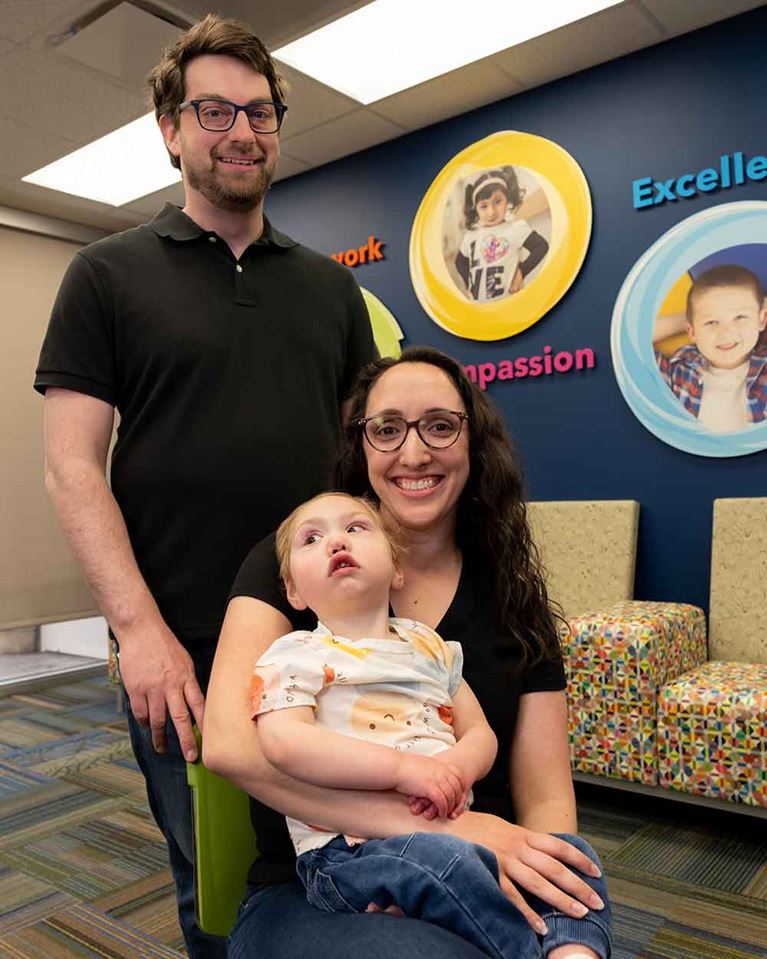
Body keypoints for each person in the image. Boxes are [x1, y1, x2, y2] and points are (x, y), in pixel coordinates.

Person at [33, 13, 376, 958]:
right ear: (172, 131)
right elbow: (71, 465)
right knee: (218, 885)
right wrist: (137, 631)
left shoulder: (329, 289)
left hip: (327, 629)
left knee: (355, 858)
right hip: (179, 640)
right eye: (213, 109)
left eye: (260, 112)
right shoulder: (104, 274)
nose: (240, 130)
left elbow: (364, 468)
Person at [203, 346, 612, 959]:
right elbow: (231, 746)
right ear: (360, 445)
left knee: (578, 886)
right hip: (317, 882)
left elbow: (548, 796)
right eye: (387, 429)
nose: (413, 452)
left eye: (440, 426)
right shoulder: (296, 559)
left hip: (485, 857)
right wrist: (439, 835)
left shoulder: (508, 595)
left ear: (475, 441)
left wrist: (540, 875)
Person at [252, 490, 611, 959]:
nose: (336, 541)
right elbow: (283, 742)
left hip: (455, 828)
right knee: (451, 863)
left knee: (567, 853)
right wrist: (404, 771)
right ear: (293, 591)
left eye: (356, 529)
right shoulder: (293, 653)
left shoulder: (431, 646)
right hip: (347, 852)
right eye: (312, 538)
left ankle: (574, 953)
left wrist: (457, 768)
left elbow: (480, 732)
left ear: (396, 569)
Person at [654, 264, 767, 432]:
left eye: (740, 317)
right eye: (712, 322)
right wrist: (689, 319)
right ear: (691, 331)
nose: (725, 332)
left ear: (762, 320)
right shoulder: (679, 370)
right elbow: (631, 341)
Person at [454, 167, 549, 302]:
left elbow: (541, 246)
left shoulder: (515, 228)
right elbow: (460, 261)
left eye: (498, 202)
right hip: (480, 307)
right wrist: (468, 284)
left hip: (509, 303)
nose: (491, 212)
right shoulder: (471, 236)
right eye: (484, 206)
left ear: (507, 200)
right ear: (476, 209)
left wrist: (522, 271)